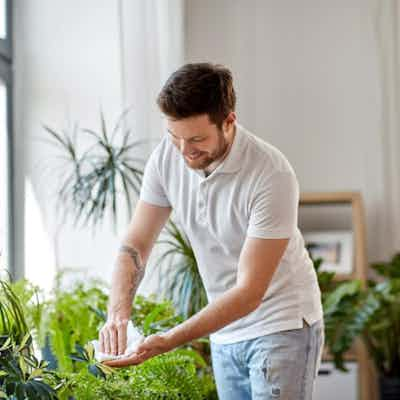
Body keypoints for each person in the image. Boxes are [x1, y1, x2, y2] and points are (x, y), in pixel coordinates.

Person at [99, 62, 324, 400]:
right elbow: (136, 243)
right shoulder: (166, 158)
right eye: (175, 137)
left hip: (281, 324)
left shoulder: (270, 173)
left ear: (229, 121)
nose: (185, 152)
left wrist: (167, 341)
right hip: (225, 331)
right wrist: (118, 316)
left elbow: (249, 292)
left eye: (197, 139)